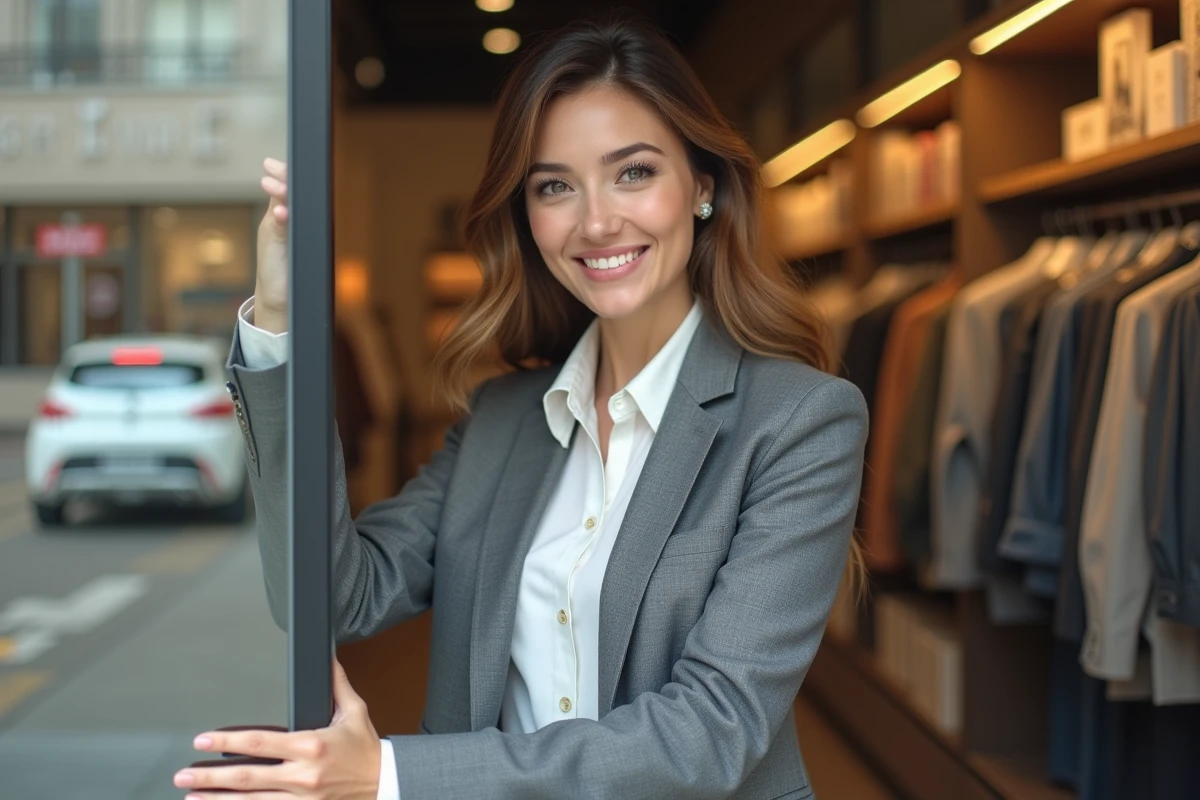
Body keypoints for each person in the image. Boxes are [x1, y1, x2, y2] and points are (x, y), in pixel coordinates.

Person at [175, 16, 868, 800]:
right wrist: (277, 320)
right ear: (528, 216)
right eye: (554, 186)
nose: (596, 220)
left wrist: (388, 776)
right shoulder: (502, 418)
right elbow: (339, 594)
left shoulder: (801, 423)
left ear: (702, 185)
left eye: (633, 173)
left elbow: (712, 730)